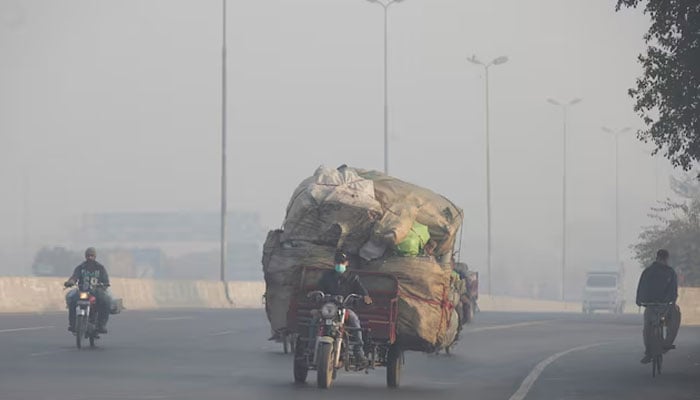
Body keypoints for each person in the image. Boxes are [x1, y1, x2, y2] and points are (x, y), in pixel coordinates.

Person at [318, 250, 373, 365]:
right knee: (314, 321)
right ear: (334, 262)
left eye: (342, 262)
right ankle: (309, 347)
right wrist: (317, 294)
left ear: (347, 263)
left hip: (345, 309)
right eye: (338, 262)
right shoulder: (327, 276)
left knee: (354, 321)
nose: (339, 265)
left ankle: (359, 352)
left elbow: (362, 291)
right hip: (329, 308)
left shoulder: (353, 278)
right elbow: (319, 289)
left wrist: (365, 297)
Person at [635, 249, 682, 364]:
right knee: (675, 318)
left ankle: (648, 352)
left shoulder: (648, 271)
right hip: (666, 306)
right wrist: (672, 301)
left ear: (657, 258)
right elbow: (673, 290)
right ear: (666, 259)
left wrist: (639, 301)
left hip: (650, 305)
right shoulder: (670, 272)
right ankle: (667, 343)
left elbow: (641, 287)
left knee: (647, 327)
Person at [64, 247, 112, 334]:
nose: (90, 257)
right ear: (85, 256)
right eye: (88, 255)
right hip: (82, 292)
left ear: (95, 256)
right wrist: (70, 282)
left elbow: (106, 280)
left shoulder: (100, 268)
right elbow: (74, 277)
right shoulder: (80, 267)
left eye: (92, 255)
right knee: (72, 301)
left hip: (96, 292)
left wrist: (104, 284)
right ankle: (73, 324)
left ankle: (101, 325)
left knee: (106, 301)